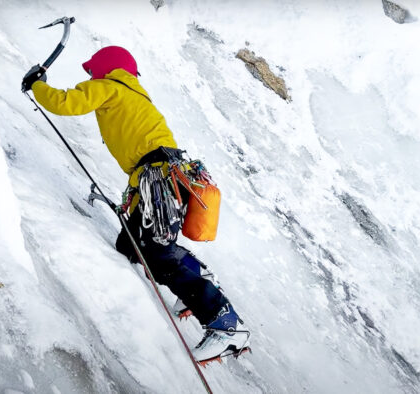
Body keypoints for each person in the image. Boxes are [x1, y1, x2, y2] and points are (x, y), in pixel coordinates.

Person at [21, 46, 249, 363]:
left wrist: (36, 84)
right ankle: (197, 275)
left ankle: (224, 323)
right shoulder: (136, 94)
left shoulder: (110, 86)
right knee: (131, 245)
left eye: (92, 71)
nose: (90, 76)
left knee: (156, 253)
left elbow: (65, 103)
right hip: (166, 178)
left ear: (106, 68)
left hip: (157, 180)